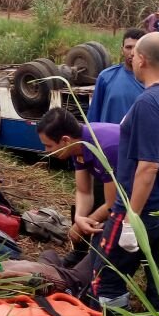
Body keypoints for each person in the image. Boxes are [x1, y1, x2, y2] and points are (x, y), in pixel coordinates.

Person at [91, 32, 159, 316]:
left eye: (134, 54)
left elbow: (148, 168)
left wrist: (129, 219)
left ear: (143, 59)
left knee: (106, 282)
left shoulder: (147, 103)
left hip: (144, 212)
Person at [37, 108, 120, 268]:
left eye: (48, 146)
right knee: (88, 204)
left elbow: (113, 203)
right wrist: (78, 219)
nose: (46, 151)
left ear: (65, 140)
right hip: (113, 183)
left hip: (147, 189)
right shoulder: (77, 146)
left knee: (105, 232)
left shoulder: (105, 148)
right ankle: (80, 255)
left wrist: (82, 227)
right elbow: (83, 191)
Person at [87, 28, 145, 124]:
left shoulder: (152, 81)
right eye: (128, 47)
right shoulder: (106, 77)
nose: (132, 53)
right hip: (108, 138)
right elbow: (93, 116)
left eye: (137, 48)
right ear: (122, 49)